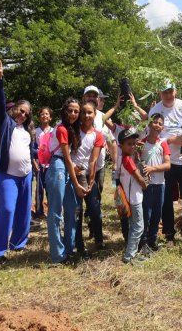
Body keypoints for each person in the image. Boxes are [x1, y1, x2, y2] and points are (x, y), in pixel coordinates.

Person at [0, 60, 36, 264]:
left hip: (26, 175)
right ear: (14, 108)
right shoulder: (4, 122)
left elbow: (29, 150)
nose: (23, 114)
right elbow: (0, 102)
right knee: (7, 209)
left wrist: (35, 162)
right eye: (20, 110)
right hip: (7, 174)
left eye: (26, 113)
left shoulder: (26, 131)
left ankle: (18, 243)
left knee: (24, 210)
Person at [149, 81, 182, 244]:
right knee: (167, 199)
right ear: (159, 93)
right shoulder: (155, 111)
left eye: (171, 91)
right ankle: (169, 233)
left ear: (175, 91)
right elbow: (151, 137)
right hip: (167, 161)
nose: (168, 95)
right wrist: (171, 140)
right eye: (165, 92)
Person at [46, 98, 85, 264]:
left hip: (66, 168)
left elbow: (69, 158)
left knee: (71, 209)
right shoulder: (61, 128)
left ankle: (69, 249)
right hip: (58, 168)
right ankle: (58, 255)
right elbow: (66, 158)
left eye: (76, 111)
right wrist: (76, 183)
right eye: (70, 110)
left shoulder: (71, 130)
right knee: (55, 212)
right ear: (64, 111)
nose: (73, 114)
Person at [71, 102, 105, 256]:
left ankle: (99, 240)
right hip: (74, 174)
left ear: (95, 114)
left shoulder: (97, 135)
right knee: (77, 210)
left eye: (89, 112)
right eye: (83, 112)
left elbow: (93, 160)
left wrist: (91, 180)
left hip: (89, 174)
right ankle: (78, 243)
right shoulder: (73, 131)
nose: (86, 116)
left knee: (95, 208)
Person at [140, 113, 171, 252]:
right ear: (149, 124)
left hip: (160, 184)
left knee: (157, 214)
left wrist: (153, 168)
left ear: (162, 127)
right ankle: (143, 241)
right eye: (155, 122)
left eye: (160, 123)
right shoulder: (141, 144)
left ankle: (153, 240)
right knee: (146, 214)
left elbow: (168, 165)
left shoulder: (163, 143)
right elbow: (136, 163)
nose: (157, 125)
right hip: (145, 185)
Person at [118, 128, 148, 265]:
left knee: (133, 226)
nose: (132, 146)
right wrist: (146, 184)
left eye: (133, 143)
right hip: (135, 198)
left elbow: (116, 179)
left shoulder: (120, 158)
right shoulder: (128, 161)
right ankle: (129, 256)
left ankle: (132, 253)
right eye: (129, 144)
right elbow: (140, 180)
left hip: (127, 197)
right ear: (121, 146)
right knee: (139, 227)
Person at [34, 107, 53, 219]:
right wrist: (34, 162)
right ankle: (39, 211)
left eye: (47, 114)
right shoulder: (35, 132)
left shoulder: (53, 131)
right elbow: (33, 148)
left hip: (51, 164)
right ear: (39, 117)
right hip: (39, 163)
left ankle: (52, 208)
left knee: (50, 187)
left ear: (50, 117)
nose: (44, 116)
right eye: (42, 114)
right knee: (39, 186)